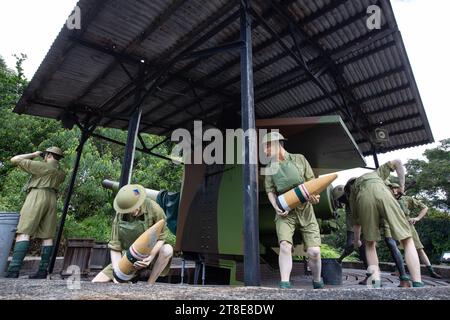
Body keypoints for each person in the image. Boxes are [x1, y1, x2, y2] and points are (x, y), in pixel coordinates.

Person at [263, 132, 323, 289]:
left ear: (277, 144)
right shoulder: (269, 168)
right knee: (284, 245)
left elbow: (312, 183)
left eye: (267, 146)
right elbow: (270, 191)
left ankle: (317, 281)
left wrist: (314, 197)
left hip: (305, 210)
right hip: (285, 211)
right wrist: (276, 206)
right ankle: (284, 283)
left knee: (314, 252)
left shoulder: (299, 159)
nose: (264, 151)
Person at [351, 160, 423, 287]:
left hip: (363, 198)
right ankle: (417, 282)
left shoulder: (353, 189)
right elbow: (398, 162)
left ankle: (375, 281)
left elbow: (356, 222)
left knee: (370, 243)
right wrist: (402, 185)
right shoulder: (376, 174)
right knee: (407, 238)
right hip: (382, 193)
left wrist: (357, 241)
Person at [92, 184, 173, 284]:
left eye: (134, 207)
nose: (133, 212)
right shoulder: (120, 215)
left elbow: (162, 237)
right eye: (128, 210)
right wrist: (119, 273)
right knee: (95, 282)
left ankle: (149, 285)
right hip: (129, 257)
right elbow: (115, 246)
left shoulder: (154, 209)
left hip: (150, 257)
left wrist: (150, 257)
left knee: (167, 250)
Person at [6, 147, 66, 279]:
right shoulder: (61, 173)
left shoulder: (41, 167)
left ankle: (13, 270)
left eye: (46, 154)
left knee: (24, 231)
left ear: (49, 155)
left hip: (37, 195)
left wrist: (34, 154)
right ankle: (42, 271)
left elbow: (14, 159)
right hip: (52, 199)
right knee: (47, 236)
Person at [387, 182, 442, 279]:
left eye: (396, 188)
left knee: (419, 249)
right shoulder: (387, 200)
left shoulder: (406, 199)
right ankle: (400, 270)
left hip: (408, 226)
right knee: (396, 249)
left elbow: (424, 207)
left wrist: (417, 218)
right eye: (392, 188)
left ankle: (431, 271)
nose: (394, 190)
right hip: (394, 225)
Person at [333, 181, 369, 285]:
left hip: (367, 225)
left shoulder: (358, 197)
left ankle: (372, 277)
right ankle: (339, 260)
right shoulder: (348, 206)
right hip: (355, 228)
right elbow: (351, 223)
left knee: (365, 250)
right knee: (352, 246)